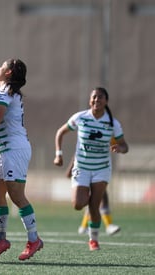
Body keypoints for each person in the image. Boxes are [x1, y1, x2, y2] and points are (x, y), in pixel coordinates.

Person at [53, 87, 129, 251]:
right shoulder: (80, 117)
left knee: (95, 206)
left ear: (106, 101)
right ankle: (86, 197)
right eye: (94, 97)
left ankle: (93, 240)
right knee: (78, 204)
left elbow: (125, 146)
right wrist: (59, 154)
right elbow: (60, 132)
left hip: (102, 169)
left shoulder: (112, 123)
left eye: (100, 97)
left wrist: (119, 148)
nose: (96, 100)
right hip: (82, 167)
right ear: (90, 100)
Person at [0, 58, 43, 262]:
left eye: (2, 65)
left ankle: (34, 240)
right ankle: (0, 240)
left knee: (16, 196)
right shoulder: (2, 91)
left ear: (8, 73)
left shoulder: (5, 92)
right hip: (5, 149)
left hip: (14, 149)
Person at [66, 154, 121, 236]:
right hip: (87, 172)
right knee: (100, 198)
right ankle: (108, 225)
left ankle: (84, 226)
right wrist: (70, 169)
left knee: (95, 200)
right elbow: (77, 154)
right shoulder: (89, 144)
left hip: (95, 170)